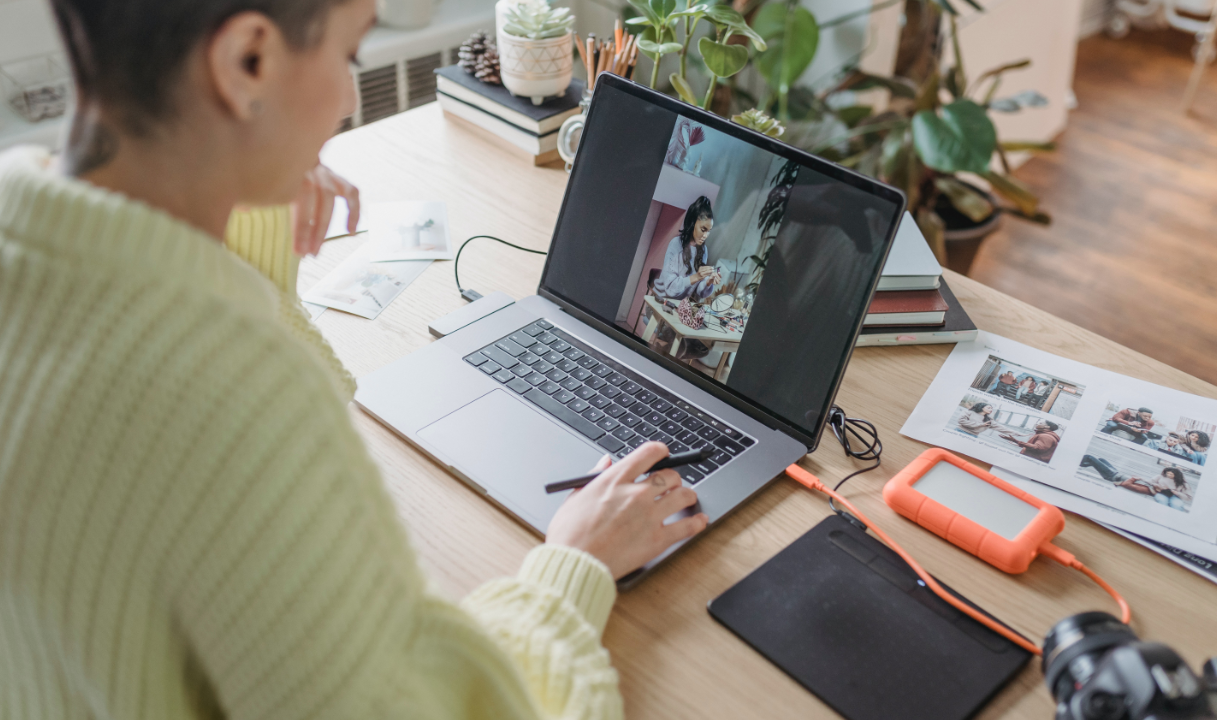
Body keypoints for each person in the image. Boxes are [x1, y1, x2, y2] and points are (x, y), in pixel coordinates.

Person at [0, 1, 707, 719]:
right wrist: (572, 569)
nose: (344, 97)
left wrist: (241, 183)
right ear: (248, 61)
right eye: (349, 54)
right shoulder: (238, 393)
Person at [650, 195, 719, 361]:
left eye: (709, 231)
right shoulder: (676, 245)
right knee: (680, 344)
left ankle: (664, 356)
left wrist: (708, 281)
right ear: (692, 223)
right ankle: (661, 361)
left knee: (703, 348)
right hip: (662, 303)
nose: (706, 235)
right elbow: (670, 287)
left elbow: (701, 292)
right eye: (703, 229)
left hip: (680, 309)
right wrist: (695, 277)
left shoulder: (704, 251)